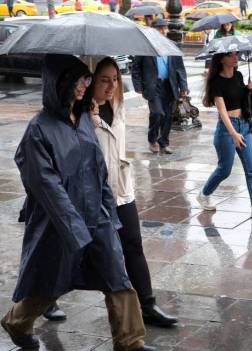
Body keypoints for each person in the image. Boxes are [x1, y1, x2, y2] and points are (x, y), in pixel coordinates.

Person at [1, 54, 156, 351]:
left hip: (96, 216)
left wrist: (108, 212)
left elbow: (99, 168)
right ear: (60, 85)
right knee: (51, 282)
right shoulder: (39, 130)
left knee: (117, 276)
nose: (85, 86)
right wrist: (75, 228)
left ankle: (130, 343)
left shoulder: (83, 118)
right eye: (79, 81)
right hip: (59, 226)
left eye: (86, 80)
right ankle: (17, 322)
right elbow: (48, 188)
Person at [44, 57, 178, 328]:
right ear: (90, 81)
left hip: (121, 188)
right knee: (71, 250)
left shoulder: (118, 106)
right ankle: (45, 299)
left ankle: (148, 305)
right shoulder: (78, 113)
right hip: (88, 194)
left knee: (133, 244)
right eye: (104, 80)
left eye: (115, 80)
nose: (111, 86)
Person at [197, 51, 252, 218]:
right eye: (231, 55)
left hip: (244, 126)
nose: (235, 57)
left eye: (236, 54)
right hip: (226, 130)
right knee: (225, 170)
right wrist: (233, 133)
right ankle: (204, 194)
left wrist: (251, 90)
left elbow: (246, 103)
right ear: (222, 59)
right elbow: (222, 111)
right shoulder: (217, 82)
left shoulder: (238, 75)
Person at [131, 19, 189, 155]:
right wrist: (138, 85)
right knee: (158, 113)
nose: (162, 31)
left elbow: (180, 68)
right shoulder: (145, 47)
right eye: (159, 28)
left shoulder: (172, 46)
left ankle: (164, 142)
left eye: (164, 28)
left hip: (169, 85)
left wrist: (183, 86)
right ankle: (152, 140)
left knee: (168, 116)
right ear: (153, 30)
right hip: (152, 86)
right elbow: (136, 68)